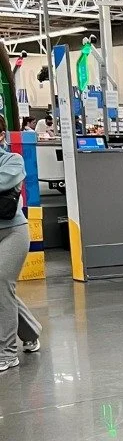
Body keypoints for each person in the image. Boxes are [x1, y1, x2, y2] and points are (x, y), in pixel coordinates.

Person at [0, 113, 36, 371]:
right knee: (3, 290)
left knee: (1, 283)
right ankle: (32, 330)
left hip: (13, 232)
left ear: (1, 135)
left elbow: (5, 181)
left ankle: (7, 353)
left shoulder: (14, 160)